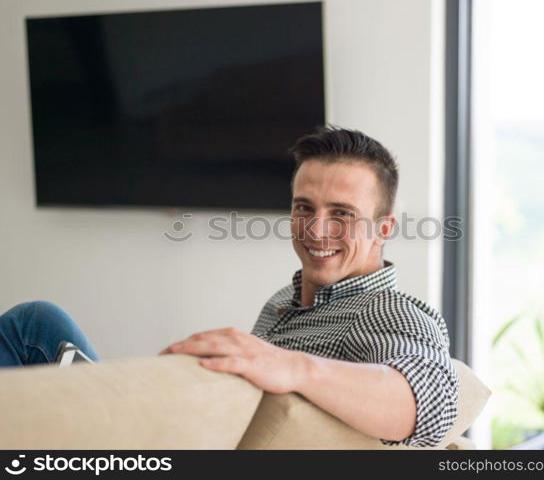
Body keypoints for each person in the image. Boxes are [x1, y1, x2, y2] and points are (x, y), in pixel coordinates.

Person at [0, 126, 458, 447]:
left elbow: (432, 405)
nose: (316, 230)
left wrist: (291, 366)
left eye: (341, 214)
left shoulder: (394, 311)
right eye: (303, 208)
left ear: (383, 228)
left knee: (35, 326)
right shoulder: (285, 301)